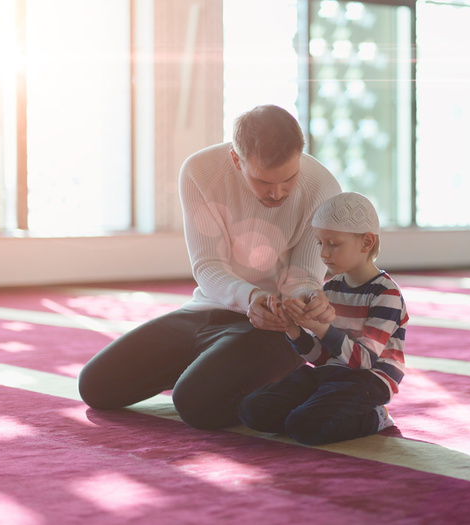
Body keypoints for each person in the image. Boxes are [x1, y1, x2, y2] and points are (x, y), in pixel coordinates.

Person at [78, 105, 341, 429]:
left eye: (288, 179)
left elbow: (302, 276)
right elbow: (208, 265)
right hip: (208, 310)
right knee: (96, 386)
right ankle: (220, 366)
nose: (277, 192)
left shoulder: (323, 188)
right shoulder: (200, 171)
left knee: (196, 404)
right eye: (263, 181)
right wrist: (250, 298)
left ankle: (291, 378)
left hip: (276, 327)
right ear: (236, 160)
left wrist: (309, 299)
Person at [238, 192, 408, 446]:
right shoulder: (331, 289)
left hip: (369, 380)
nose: (324, 253)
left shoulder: (386, 295)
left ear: (367, 242)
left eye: (334, 244)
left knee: (305, 426)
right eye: (320, 243)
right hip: (332, 373)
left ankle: (375, 417)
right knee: (252, 410)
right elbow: (321, 359)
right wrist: (293, 329)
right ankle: (311, 411)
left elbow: (362, 362)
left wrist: (319, 327)